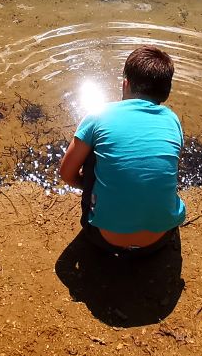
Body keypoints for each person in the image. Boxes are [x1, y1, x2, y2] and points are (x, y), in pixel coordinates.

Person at [57, 45, 185, 255]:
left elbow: (66, 173)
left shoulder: (98, 115)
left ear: (125, 84)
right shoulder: (172, 120)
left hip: (104, 239)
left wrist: (94, 187)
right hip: (160, 239)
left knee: (93, 153)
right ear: (166, 92)